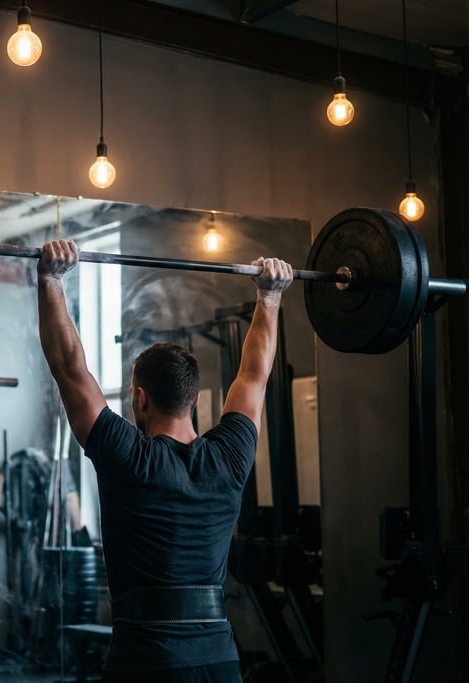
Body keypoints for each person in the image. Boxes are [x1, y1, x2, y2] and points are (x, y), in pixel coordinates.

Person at [35, 240, 293, 683]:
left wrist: (50, 279)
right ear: (193, 400)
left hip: (147, 662)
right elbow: (255, 373)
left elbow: (69, 368)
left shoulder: (129, 457)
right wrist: (270, 297)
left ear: (139, 398)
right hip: (220, 663)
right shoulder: (229, 457)